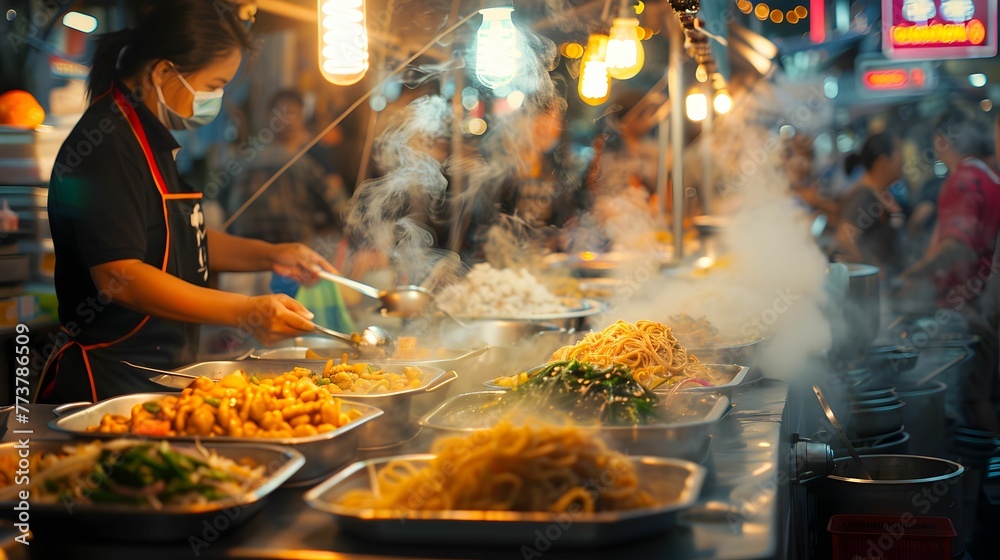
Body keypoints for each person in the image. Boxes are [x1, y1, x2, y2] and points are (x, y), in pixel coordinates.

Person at [37, 0, 337, 404]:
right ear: (163, 72)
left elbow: (183, 238)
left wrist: (273, 255)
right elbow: (118, 275)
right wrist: (245, 309)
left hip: (157, 374)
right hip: (107, 384)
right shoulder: (107, 143)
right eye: (214, 84)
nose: (218, 97)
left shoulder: (152, 138)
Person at [226, 89, 349, 295]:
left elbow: (335, 203)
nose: (288, 121)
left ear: (303, 118)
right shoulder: (252, 160)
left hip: (272, 257)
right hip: (266, 257)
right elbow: (339, 208)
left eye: (294, 114)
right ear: (268, 116)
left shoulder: (309, 158)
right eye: (282, 113)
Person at [900, 111, 1000, 310]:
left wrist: (915, 274)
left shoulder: (962, 181)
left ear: (940, 140)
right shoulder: (989, 175)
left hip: (964, 305)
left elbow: (957, 246)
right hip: (984, 299)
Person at [834, 132, 906, 277]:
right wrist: (875, 270)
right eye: (899, 154)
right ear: (883, 161)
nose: (903, 161)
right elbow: (844, 239)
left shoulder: (879, 195)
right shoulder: (865, 196)